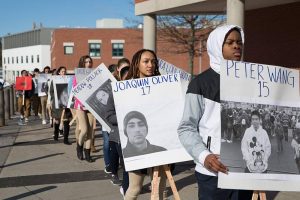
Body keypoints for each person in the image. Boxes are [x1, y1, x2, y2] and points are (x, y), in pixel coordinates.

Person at [178, 25, 253, 200]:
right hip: (211, 173)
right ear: (216, 46)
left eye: (239, 42)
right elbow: (186, 128)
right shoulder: (200, 83)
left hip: (245, 172)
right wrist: (204, 156)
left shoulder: (251, 81)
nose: (237, 46)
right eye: (230, 42)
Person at [124, 49, 167, 200]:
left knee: (159, 190)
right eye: (146, 61)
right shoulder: (125, 87)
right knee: (135, 189)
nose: (150, 65)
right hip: (135, 148)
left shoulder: (163, 85)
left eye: (153, 61)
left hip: (160, 143)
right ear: (137, 64)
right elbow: (112, 114)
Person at [73, 55, 95, 162]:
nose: (89, 63)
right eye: (86, 62)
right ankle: (79, 147)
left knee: (90, 131)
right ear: (82, 63)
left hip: (91, 106)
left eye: (90, 62)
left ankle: (87, 154)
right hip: (80, 106)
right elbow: (75, 91)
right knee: (84, 129)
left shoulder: (95, 75)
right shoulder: (77, 76)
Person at [49, 66, 72, 145]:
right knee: (57, 120)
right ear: (59, 72)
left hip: (66, 102)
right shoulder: (54, 80)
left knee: (66, 121)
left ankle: (66, 139)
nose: (64, 73)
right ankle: (56, 134)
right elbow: (51, 91)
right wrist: (55, 98)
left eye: (65, 71)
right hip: (57, 103)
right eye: (62, 71)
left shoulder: (69, 80)